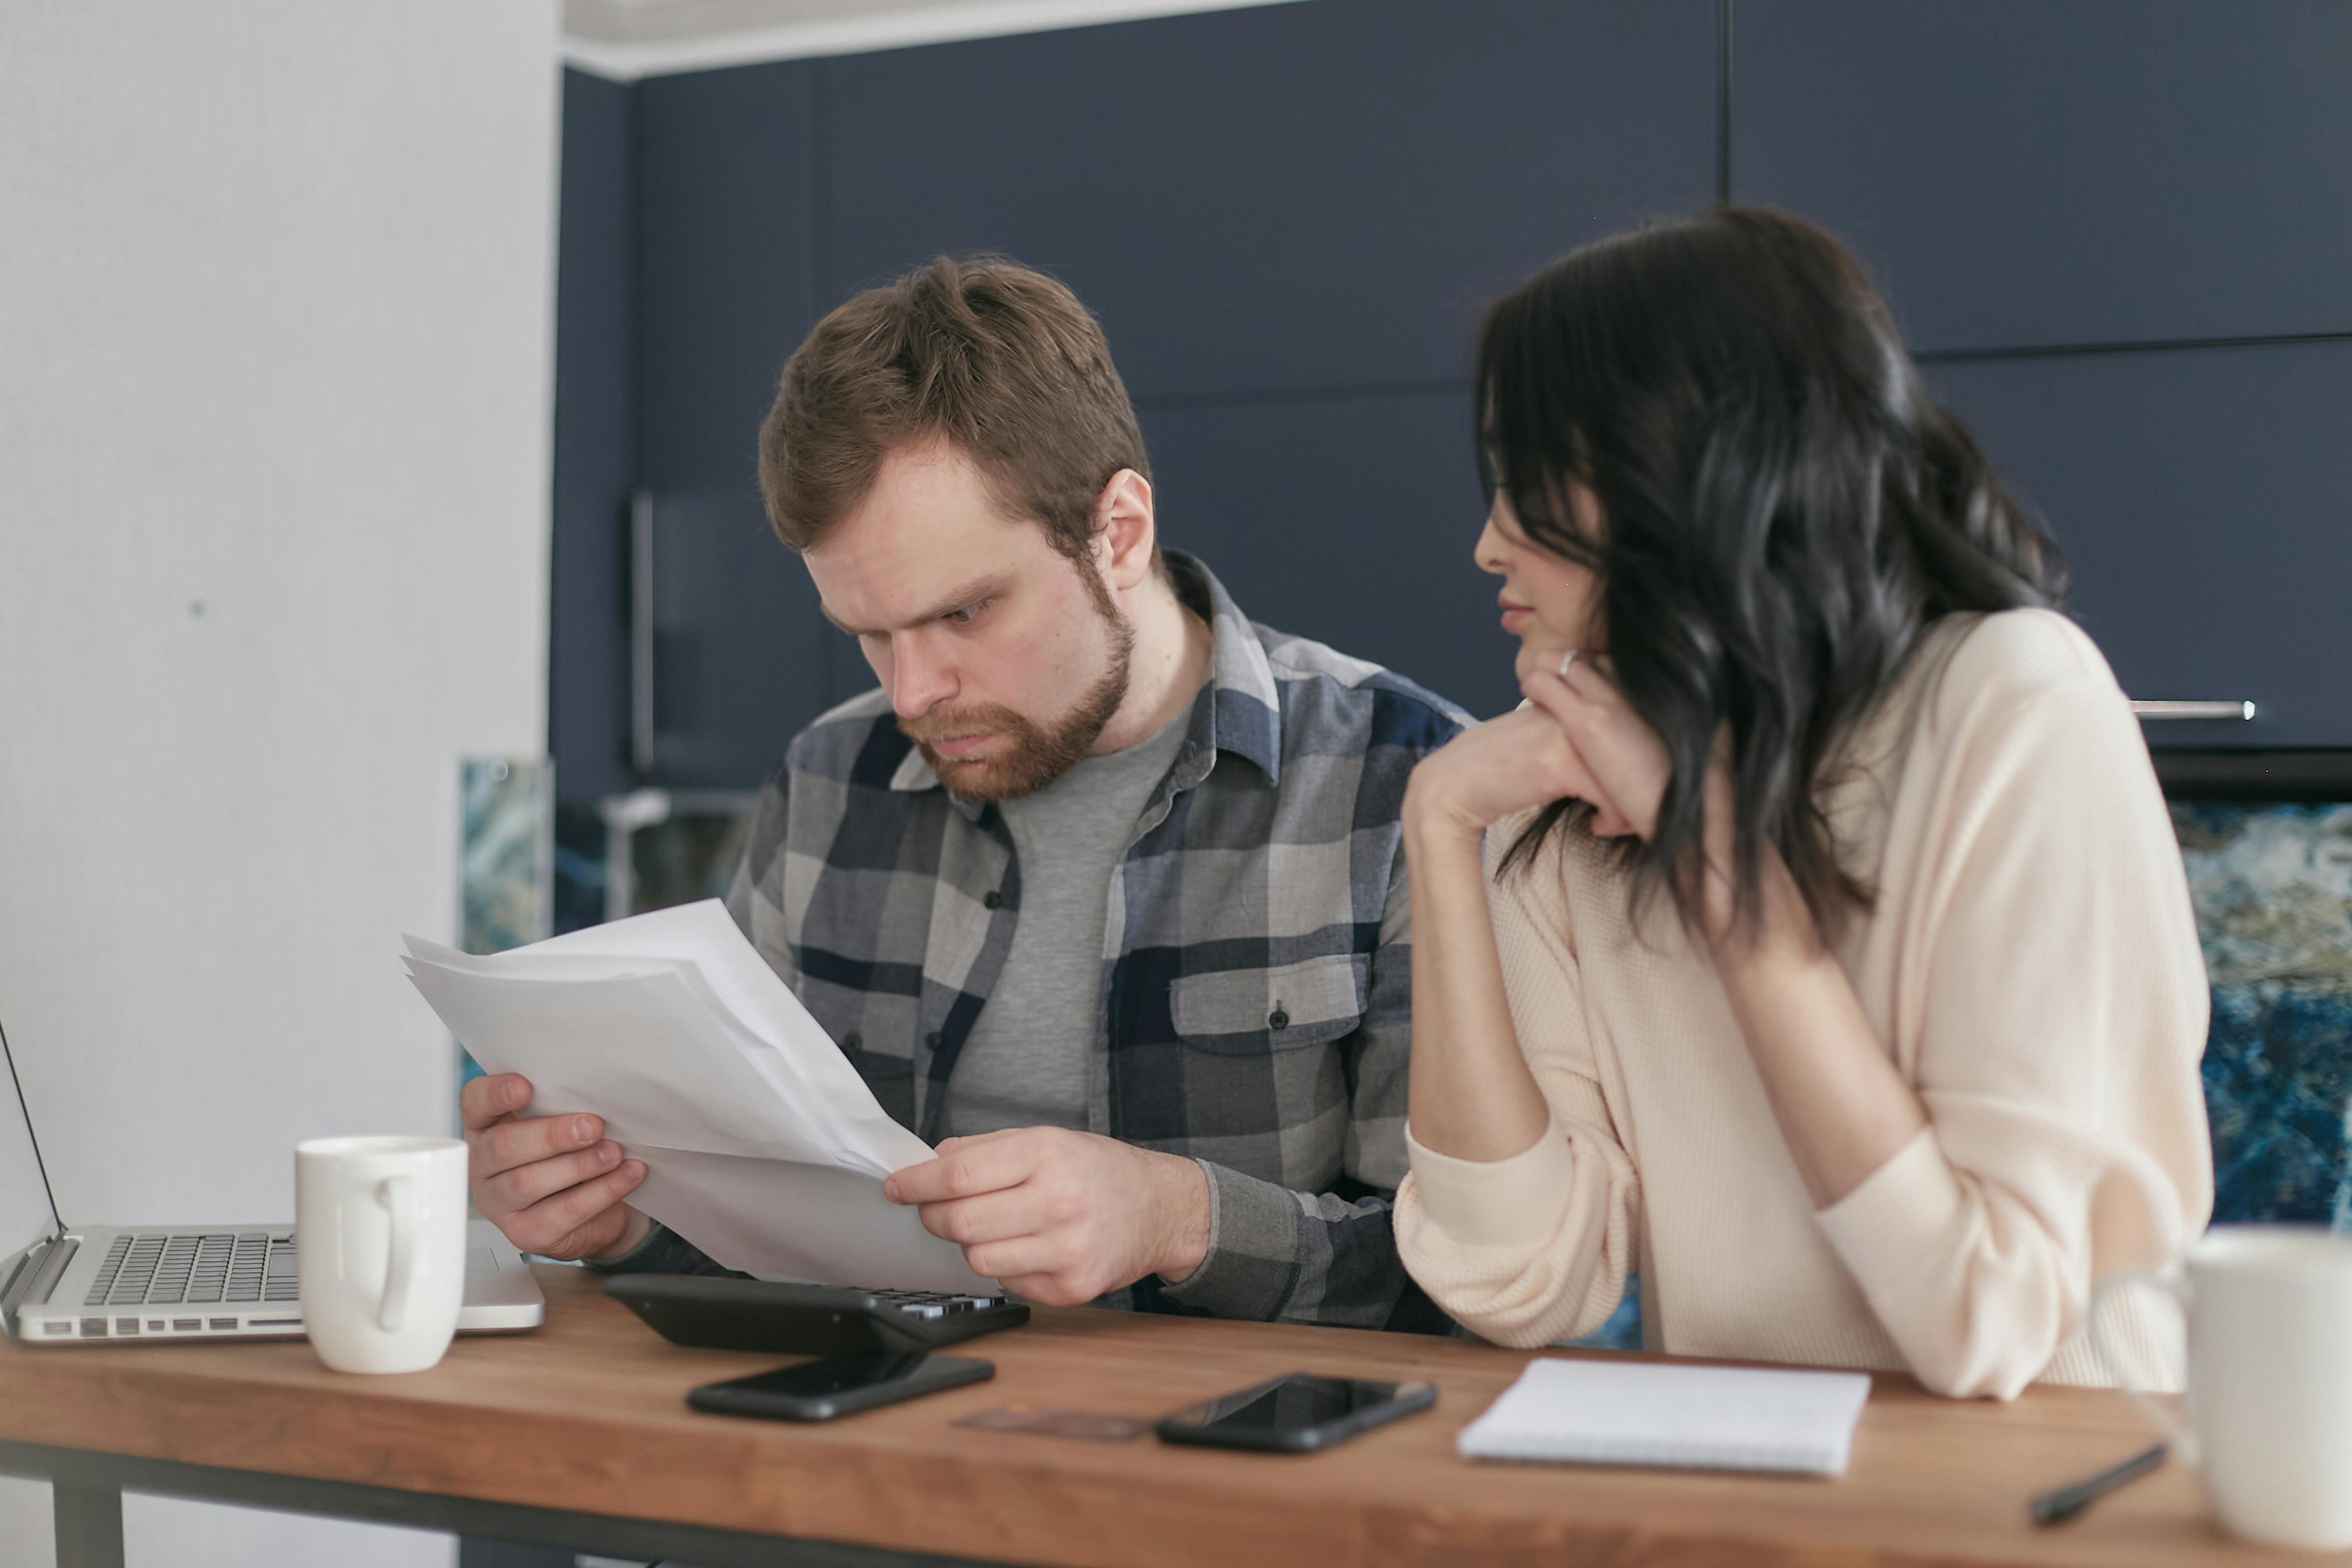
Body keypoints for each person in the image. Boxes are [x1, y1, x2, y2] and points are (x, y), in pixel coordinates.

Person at [464, 257, 1464, 1328]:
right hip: (880, 1450)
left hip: (1242, 1472)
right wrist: (622, 1218)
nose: (913, 692)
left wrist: (1180, 1218)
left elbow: (1479, 1279)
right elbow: (765, 1238)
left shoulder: (1407, 788)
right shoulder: (826, 783)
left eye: (967, 613)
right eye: (868, 634)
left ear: (1117, 534)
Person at [1393, 207, 2213, 1397]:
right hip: (1755, 1492)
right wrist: (1441, 829)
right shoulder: (1559, 785)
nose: (1485, 544)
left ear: (1677, 471)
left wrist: (1722, 873)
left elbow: (1990, 1319)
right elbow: (1516, 1283)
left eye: (1525, 483)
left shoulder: (2011, 705)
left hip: (2055, 1485)